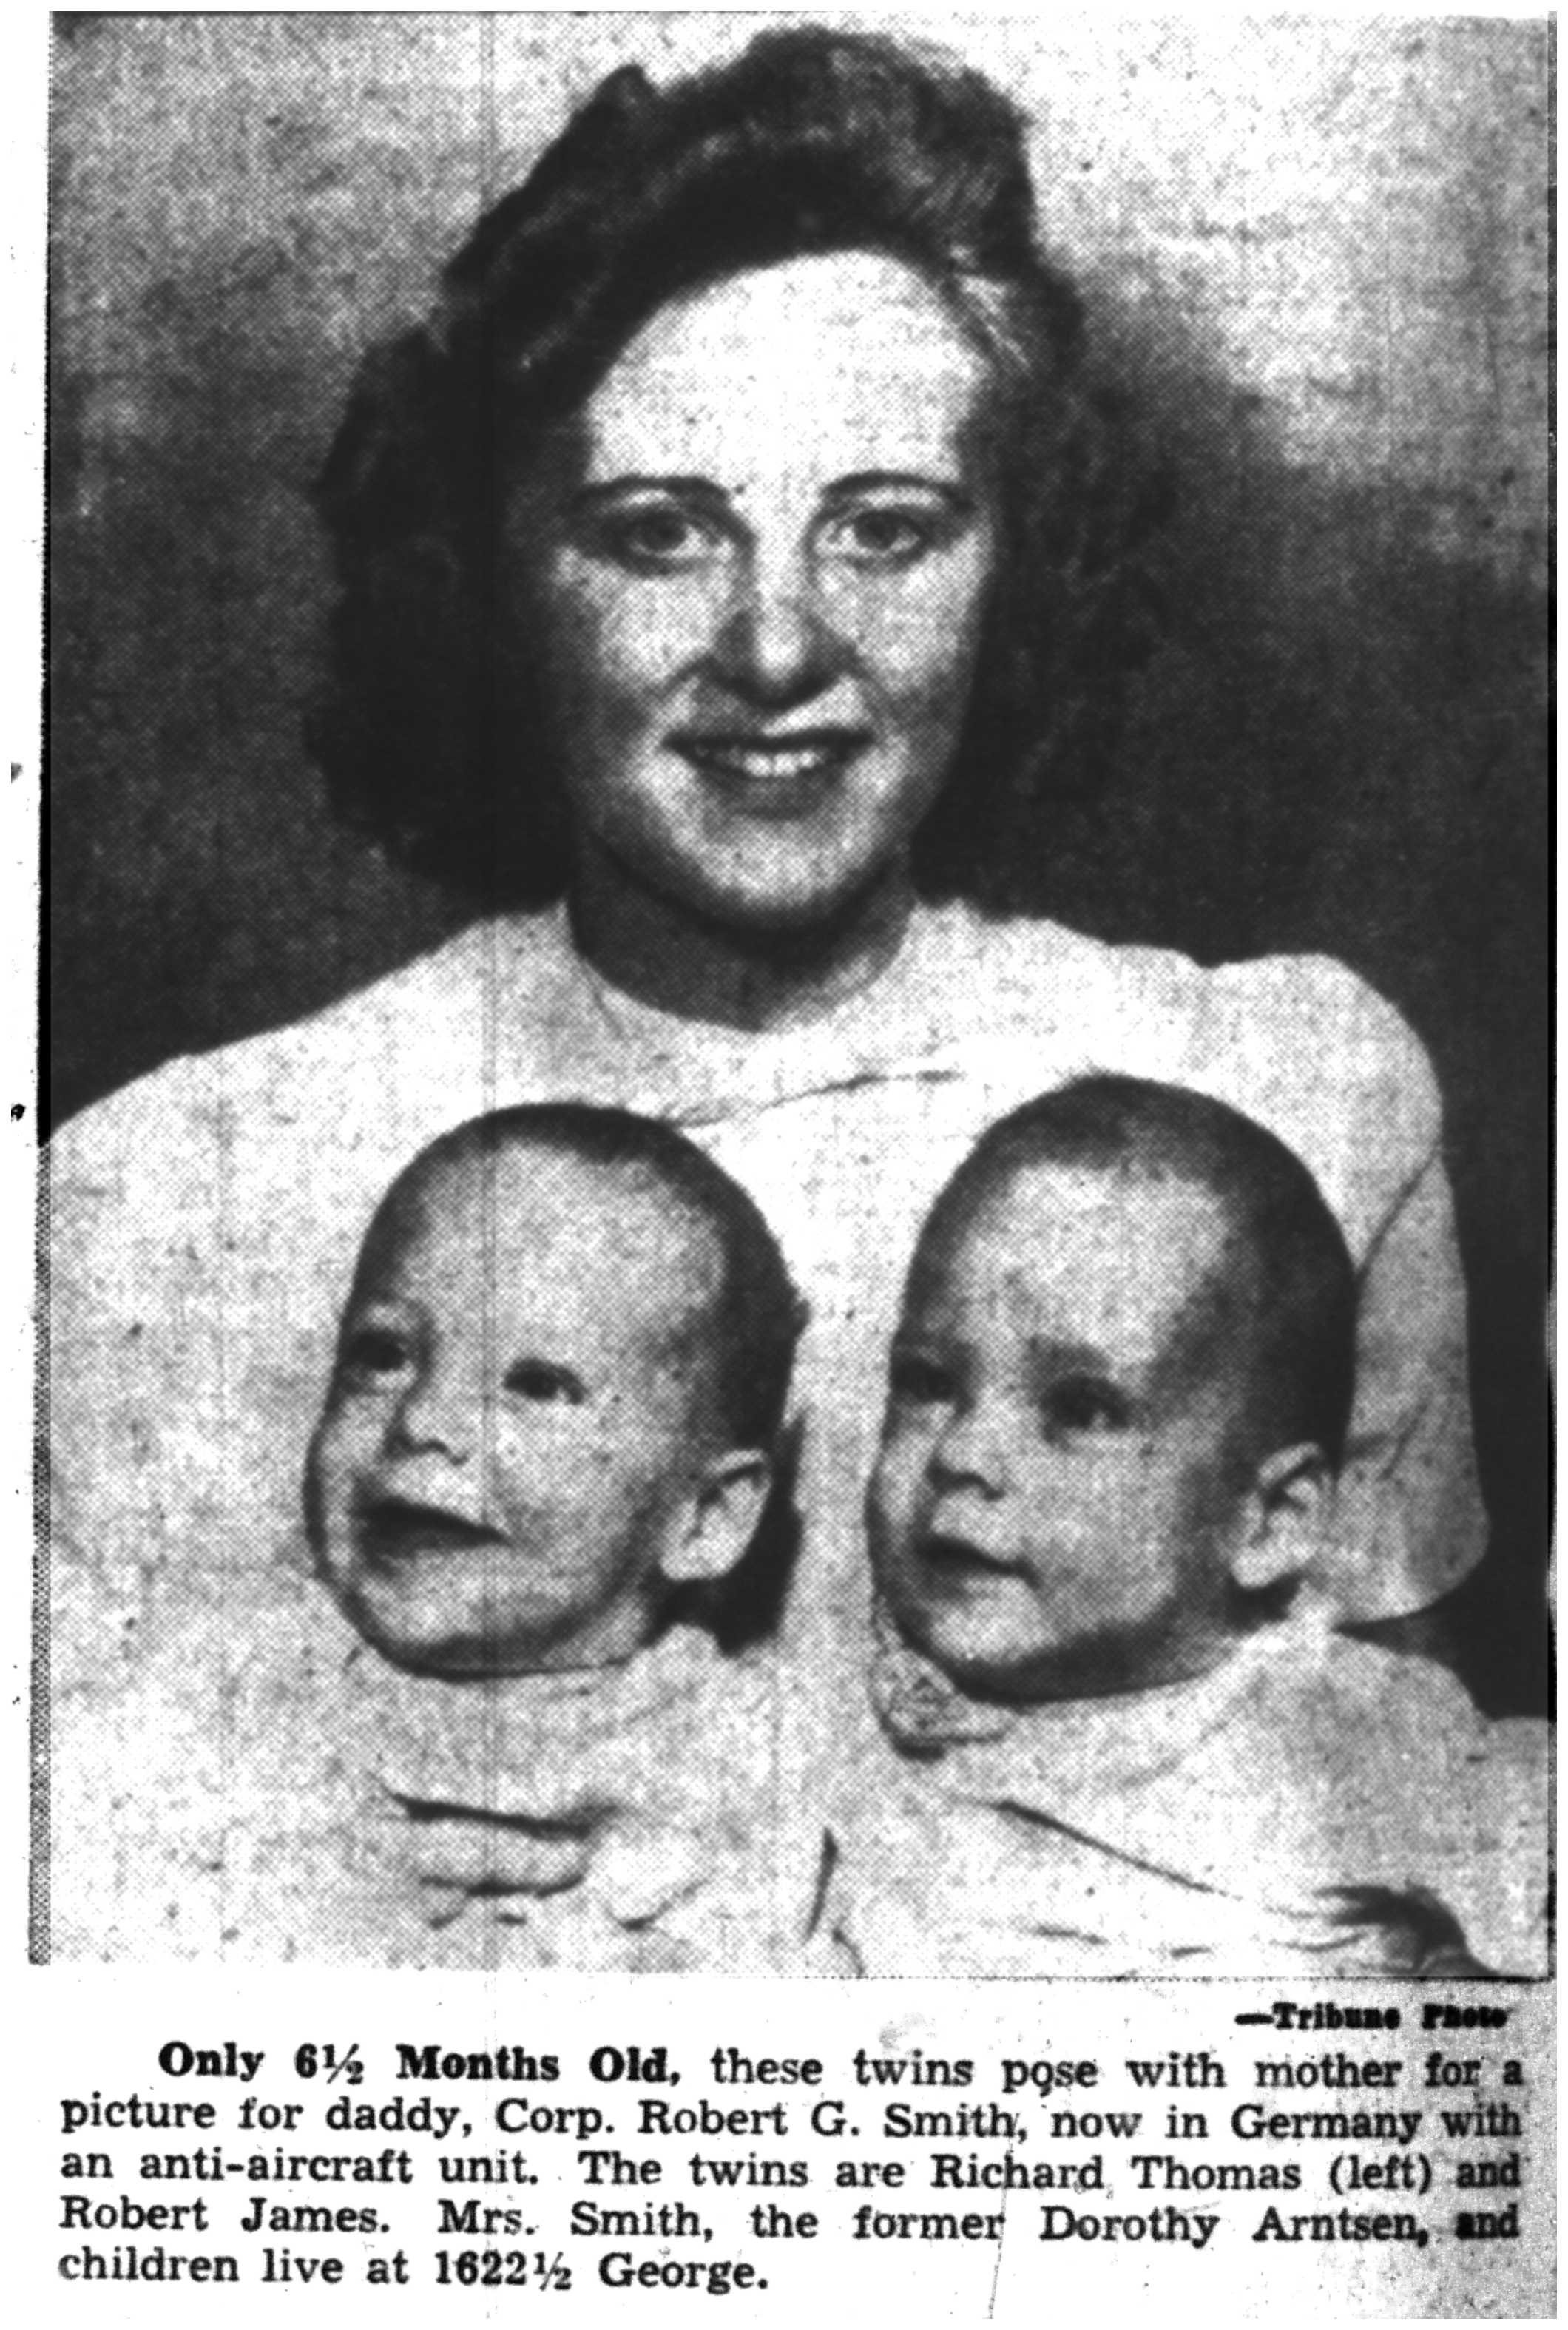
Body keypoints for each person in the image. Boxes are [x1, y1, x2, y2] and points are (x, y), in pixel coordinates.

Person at [47, 28, 1484, 1847]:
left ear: (1014, 564)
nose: (778, 647)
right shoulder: (175, 1192)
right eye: (658, 534)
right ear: (496, 581)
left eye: (885, 530)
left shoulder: (1287, 1095)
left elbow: (1411, 1841)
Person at [51, 1104, 817, 1967]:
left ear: (705, 1518)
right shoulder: (215, 1686)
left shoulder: (744, 1765)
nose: (423, 1418)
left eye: (536, 1384)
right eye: (384, 1355)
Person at [827, 1078, 1549, 1977]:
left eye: (1080, 1409)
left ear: (1269, 1523)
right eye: (929, 1382)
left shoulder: (1346, 1733)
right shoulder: (823, 1702)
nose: (961, 1452)